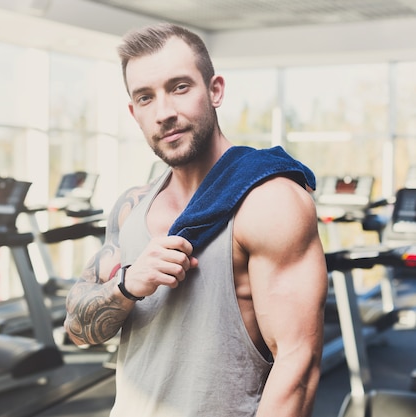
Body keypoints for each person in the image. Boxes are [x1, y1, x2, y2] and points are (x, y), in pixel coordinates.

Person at [63, 23, 328, 417]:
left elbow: (298, 366)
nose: (165, 113)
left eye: (180, 87)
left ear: (215, 90)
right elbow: (78, 329)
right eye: (146, 98)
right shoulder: (131, 207)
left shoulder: (268, 202)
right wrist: (127, 285)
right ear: (134, 114)